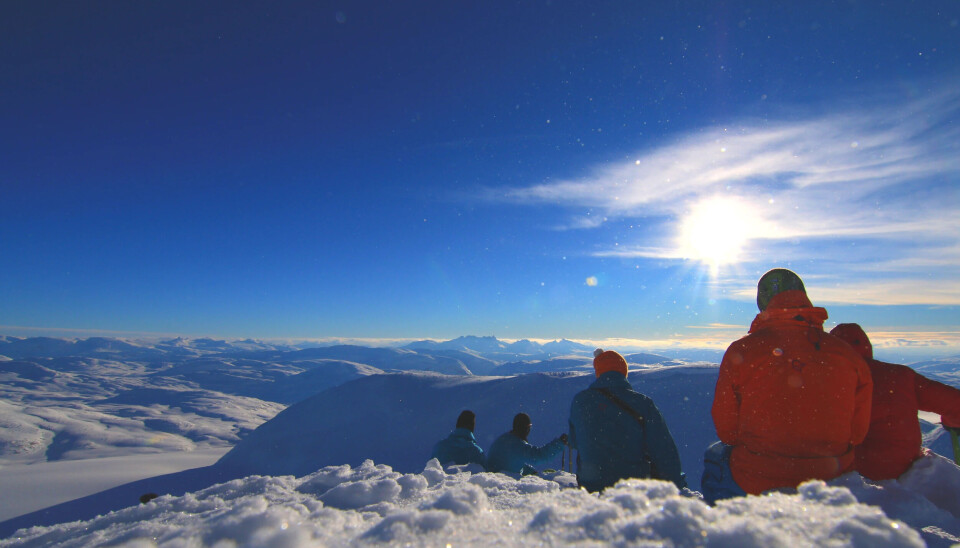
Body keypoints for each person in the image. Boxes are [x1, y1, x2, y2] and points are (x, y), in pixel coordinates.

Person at [708, 268, 873, 497]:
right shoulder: (846, 354)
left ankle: (726, 527)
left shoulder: (742, 351)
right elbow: (857, 434)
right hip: (831, 476)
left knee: (715, 456)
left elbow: (727, 430)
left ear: (763, 302)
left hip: (757, 476)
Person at [830, 323, 960, 481]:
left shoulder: (822, 380)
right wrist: (951, 420)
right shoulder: (900, 375)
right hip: (898, 466)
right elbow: (953, 402)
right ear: (867, 347)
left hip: (844, 468)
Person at [568, 349, 686, 492]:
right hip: (633, 487)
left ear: (598, 373)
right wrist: (676, 488)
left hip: (590, 486)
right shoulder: (643, 403)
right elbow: (664, 452)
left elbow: (574, 441)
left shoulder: (580, 401)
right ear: (624, 373)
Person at [485, 413, 566, 475]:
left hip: (494, 479)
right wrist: (559, 443)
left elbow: (515, 462)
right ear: (527, 429)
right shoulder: (518, 445)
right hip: (504, 483)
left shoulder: (503, 439)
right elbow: (539, 456)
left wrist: (531, 472)